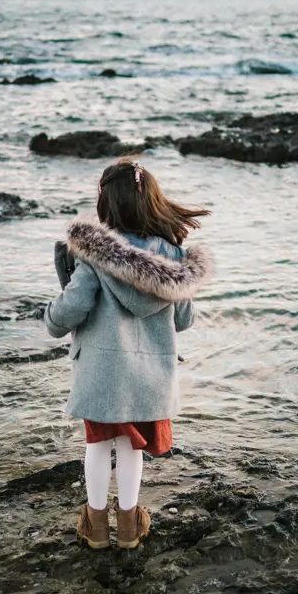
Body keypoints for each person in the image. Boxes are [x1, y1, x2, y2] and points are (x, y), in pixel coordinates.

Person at [44, 156, 213, 549]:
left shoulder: (95, 254)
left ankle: (97, 527)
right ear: (151, 202)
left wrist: (50, 319)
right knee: (132, 447)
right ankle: (130, 528)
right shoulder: (174, 258)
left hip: (102, 372)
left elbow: (74, 306)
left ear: (108, 205)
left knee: (98, 445)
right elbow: (184, 319)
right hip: (149, 377)